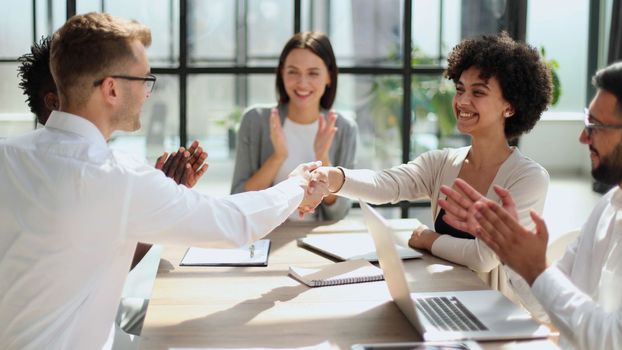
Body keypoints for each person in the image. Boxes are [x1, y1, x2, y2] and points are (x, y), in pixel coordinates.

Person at [0, 12, 327, 349]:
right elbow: (233, 223)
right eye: (144, 79)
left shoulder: (7, 155)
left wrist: (161, 198)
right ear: (111, 88)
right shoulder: (117, 177)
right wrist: (298, 182)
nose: (147, 93)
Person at [312, 32, 552, 312]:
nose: (462, 101)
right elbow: (386, 184)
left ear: (510, 106)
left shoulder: (528, 178)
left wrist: (430, 239)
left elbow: (483, 257)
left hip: (494, 315)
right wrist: (334, 178)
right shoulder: (442, 163)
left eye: (478, 92)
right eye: (460, 89)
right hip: (446, 300)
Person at [439, 61, 622, 350]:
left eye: (595, 126)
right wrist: (509, 251)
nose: (583, 137)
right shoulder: (607, 208)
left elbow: (610, 341)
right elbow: (544, 306)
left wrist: (536, 268)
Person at [17, 35, 208, 189]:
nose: (111, 92)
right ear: (53, 102)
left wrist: (158, 195)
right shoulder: (113, 173)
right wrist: (154, 194)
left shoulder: (13, 156)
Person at [231, 31, 358, 221]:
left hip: (316, 240)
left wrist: (323, 158)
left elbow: (339, 212)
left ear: (329, 77)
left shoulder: (345, 128)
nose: (302, 83)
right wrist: (278, 156)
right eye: (293, 71)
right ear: (282, 73)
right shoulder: (255, 120)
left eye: (313, 73)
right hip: (266, 238)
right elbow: (238, 201)